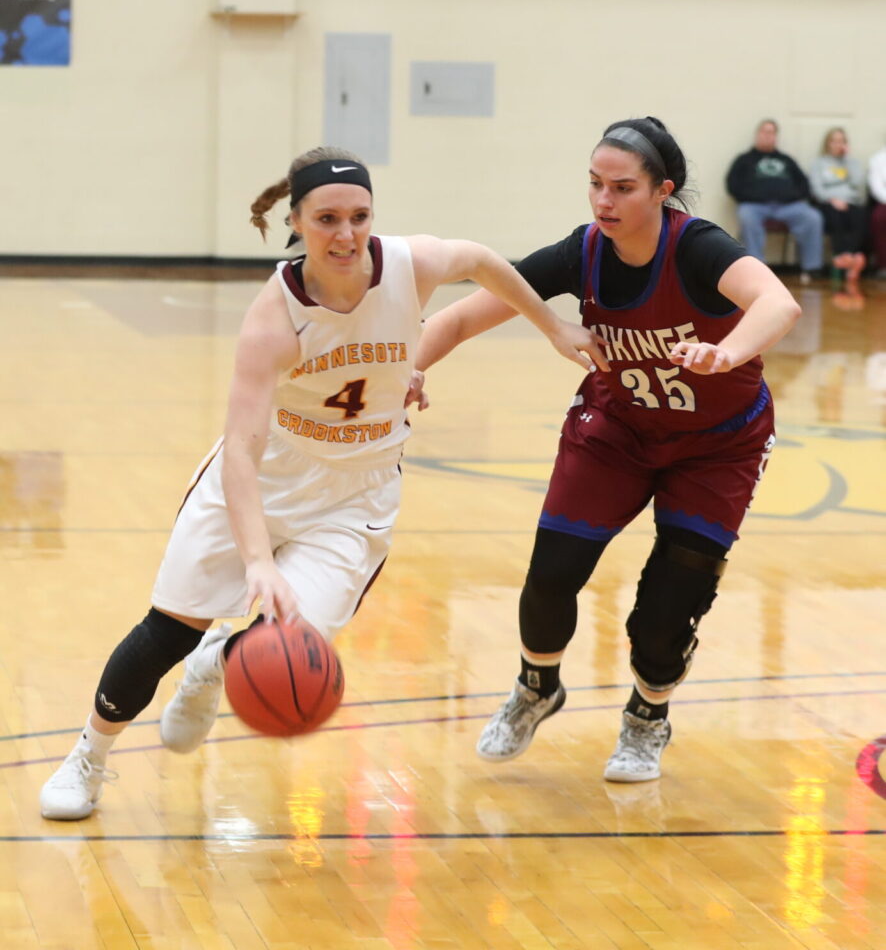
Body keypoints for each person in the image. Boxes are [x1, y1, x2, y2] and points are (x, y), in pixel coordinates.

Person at [39, 145, 595, 821]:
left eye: (360, 216)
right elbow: (240, 454)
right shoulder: (274, 318)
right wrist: (256, 563)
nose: (347, 233)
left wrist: (552, 325)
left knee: (295, 641)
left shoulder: (407, 265)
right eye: (327, 218)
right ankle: (89, 757)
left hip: (355, 494)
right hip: (265, 476)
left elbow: (479, 259)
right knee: (167, 629)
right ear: (296, 223)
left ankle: (217, 661)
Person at [410, 118, 801, 782]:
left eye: (622, 188)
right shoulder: (582, 252)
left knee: (664, 613)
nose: (603, 201)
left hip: (718, 445)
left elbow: (778, 302)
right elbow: (458, 317)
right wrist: (410, 370)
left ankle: (647, 718)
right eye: (595, 185)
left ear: (662, 191)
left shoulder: (700, 249)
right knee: (550, 577)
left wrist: (726, 351)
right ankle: (538, 687)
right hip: (617, 431)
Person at [726, 119, 824, 283]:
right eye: (765, 132)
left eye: (772, 133)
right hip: (755, 205)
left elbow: (804, 183)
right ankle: (756, 267)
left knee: (812, 217)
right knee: (746, 215)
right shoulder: (744, 160)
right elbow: (732, 185)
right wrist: (751, 196)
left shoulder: (786, 160)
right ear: (757, 135)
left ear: (776, 137)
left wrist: (793, 196)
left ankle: (811, 267)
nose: (768, 136)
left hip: (788, 205)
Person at [809, 127, 867, 310]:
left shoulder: (852, 163)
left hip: (850, 202)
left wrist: (848, 161)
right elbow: (816, 189)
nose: (838, 144)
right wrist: (832, 199)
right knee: (834, 215)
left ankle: (852, 257)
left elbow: (859, 187)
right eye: (834, 141)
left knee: (860, 215)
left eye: (842, 141)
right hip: (829, 202)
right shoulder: (819, 163)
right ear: (828, 143)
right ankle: (843, 256)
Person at [867, 139, 886, 278]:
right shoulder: (878, 159)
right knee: (878, 217)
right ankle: (883, 265)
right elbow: (876, 188)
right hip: (884, 201)